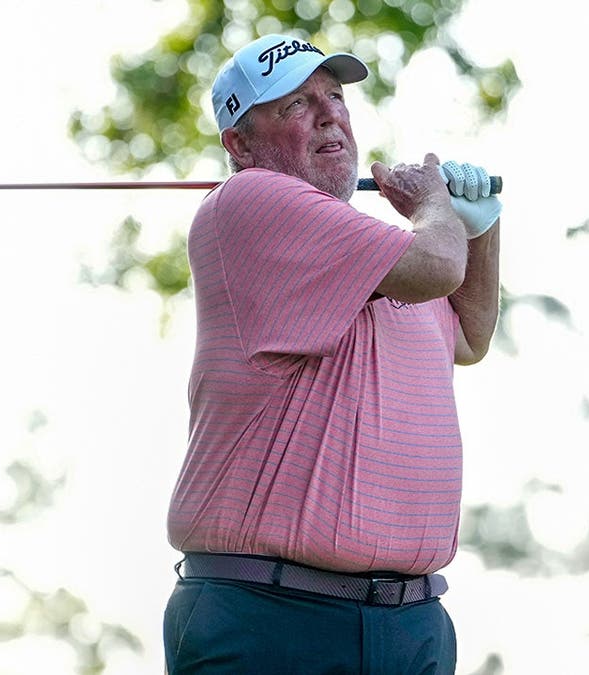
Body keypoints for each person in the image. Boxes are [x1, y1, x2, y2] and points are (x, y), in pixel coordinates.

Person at [163, 33, 502, 674]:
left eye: (335, 96)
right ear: (240, 145)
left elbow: (469, 336)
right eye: (295, 104)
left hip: (411, 622)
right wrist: (436, 207)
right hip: (272, 616)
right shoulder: (249, 200)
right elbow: (437, 265)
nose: (329, 115)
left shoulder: (377, 252)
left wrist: (481, 227)